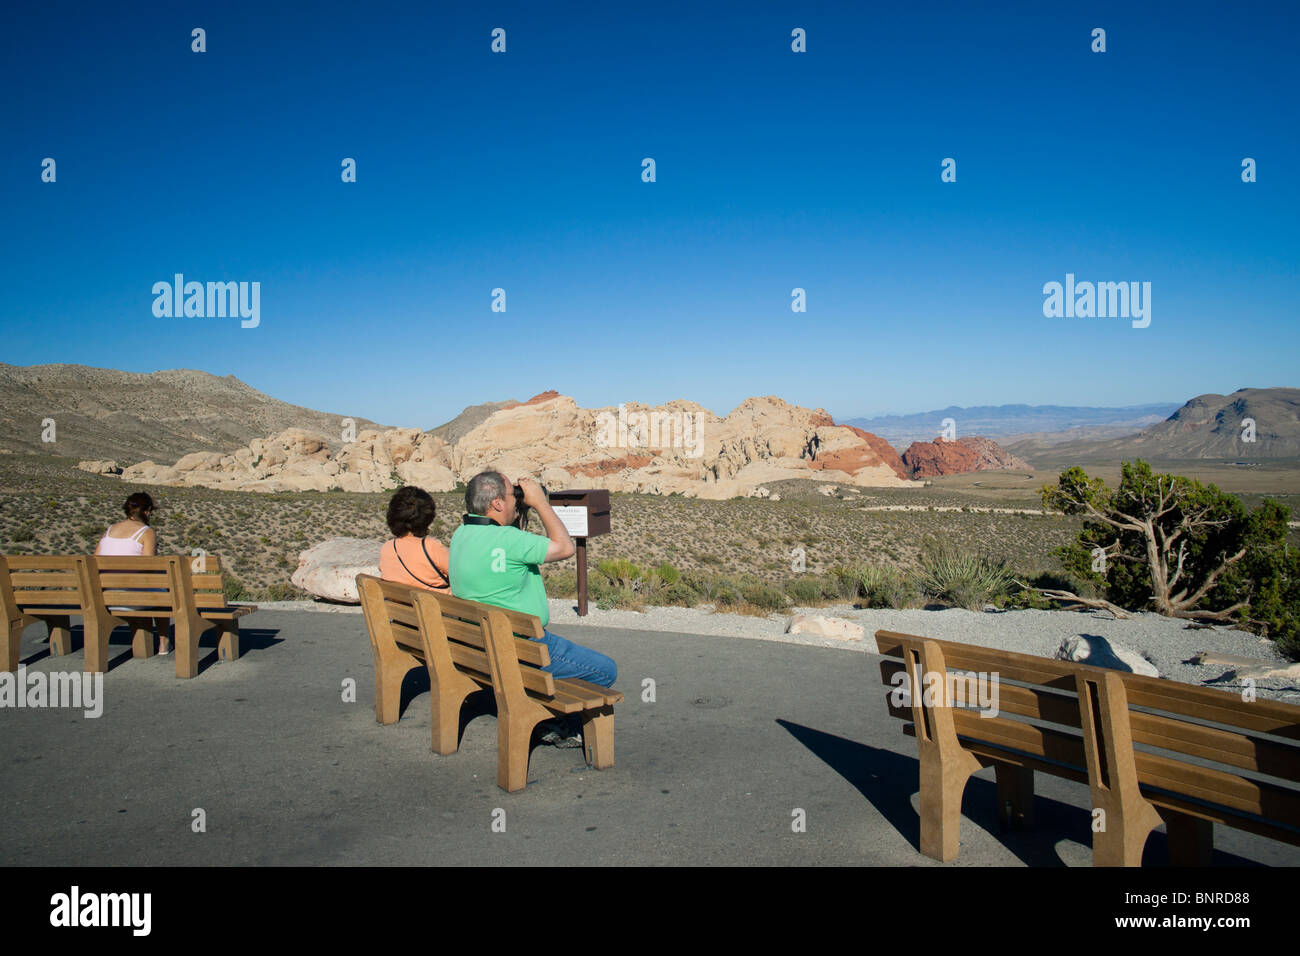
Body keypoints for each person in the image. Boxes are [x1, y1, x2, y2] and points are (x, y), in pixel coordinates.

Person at [450, 471, 617, 746]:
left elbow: (502, 548)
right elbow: (564, 547)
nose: (516, 501)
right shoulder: (510, 541)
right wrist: (540, 503)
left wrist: (517, 512)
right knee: (605, 670)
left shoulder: (461, 535)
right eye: (510, 496)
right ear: (497, 504)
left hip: (478, 646)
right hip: (523, 648)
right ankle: (560, 725)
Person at [95, 491, 169, 653]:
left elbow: (94, 562)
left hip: (106, 598)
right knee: (165, 590)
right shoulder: (146, 532)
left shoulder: (109, 531)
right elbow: (150, 566)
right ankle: (163, 641)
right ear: (147, 511)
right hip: (134, 599)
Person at [378, 486, 450, 593]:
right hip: (436, 608)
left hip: (400, 608)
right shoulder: (431, 547)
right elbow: (461, 575)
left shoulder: (387, 548)